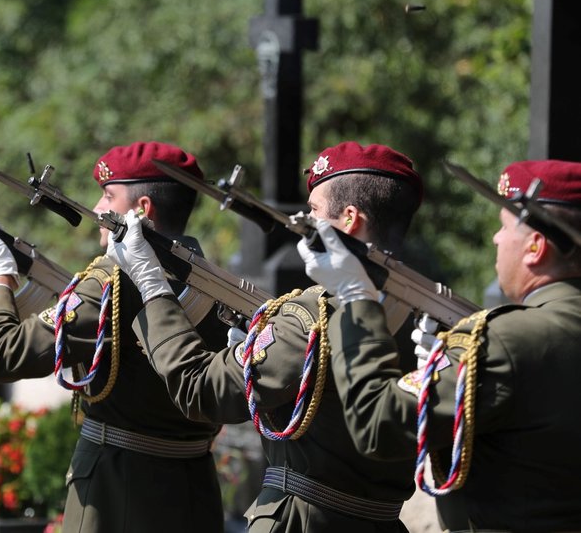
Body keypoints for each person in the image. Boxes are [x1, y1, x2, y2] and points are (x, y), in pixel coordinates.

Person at [108, 141, 423, 531]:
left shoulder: (310, 318)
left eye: (314, 212)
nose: (304, 224)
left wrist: (151, 283)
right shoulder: (427, 320)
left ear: (349, 220)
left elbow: (201, 390)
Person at [0, 141, 227, 533]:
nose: (98, 208)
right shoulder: (220, 288)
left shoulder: (109, 285)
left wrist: (0, 275)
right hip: (195, 494)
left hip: (116, 496)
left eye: (108, 195)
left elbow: (0, 355)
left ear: (141, 210)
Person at [298, 159, 581, 531]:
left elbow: (377, 423)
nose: (496, 239)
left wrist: (355, 298)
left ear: (536, 247)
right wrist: (444, 376)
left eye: (504, 227)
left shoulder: (505, 340)